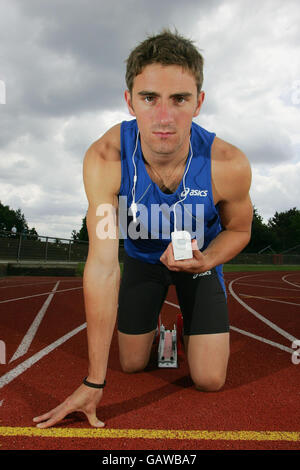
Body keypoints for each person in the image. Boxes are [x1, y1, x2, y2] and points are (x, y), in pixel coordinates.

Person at [33, 29, 253, 429]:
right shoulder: (106, 158)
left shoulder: (227, 163)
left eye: (180, 99)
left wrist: (209, 259)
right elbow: (102, 265)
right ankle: (159, 335)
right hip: (142, 260)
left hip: (199, 264)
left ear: (199, 103)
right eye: (149, 98)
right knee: (131, 364)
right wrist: (93, 381)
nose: (164, 117)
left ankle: (190, 325)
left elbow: (239, 231)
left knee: (209, 380)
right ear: (129, 101)